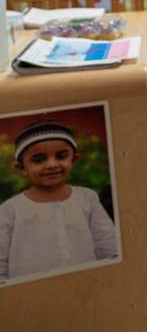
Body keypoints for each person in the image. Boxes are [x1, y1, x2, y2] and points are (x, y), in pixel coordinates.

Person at [0, 120, 118, 283]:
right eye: (39, 159)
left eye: (61, 156)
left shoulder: (87, 198)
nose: (52, 164)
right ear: (22, 168)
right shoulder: (10, 209)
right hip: (29, 297)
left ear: (73, 159)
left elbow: (108, 244)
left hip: (86, 288)